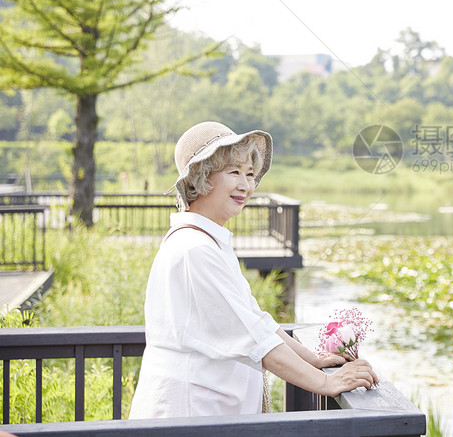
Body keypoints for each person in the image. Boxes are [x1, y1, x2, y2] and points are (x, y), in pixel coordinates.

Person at [129, 121, 377, 418]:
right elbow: (254, 338)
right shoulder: (194, 249)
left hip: (205, 414)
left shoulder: (206, 241)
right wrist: (326, 382)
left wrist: (313, 359)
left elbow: (257, 321)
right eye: (234, 172)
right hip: (189, 414)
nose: (245, 185)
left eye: (250, 174)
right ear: (200, 178)